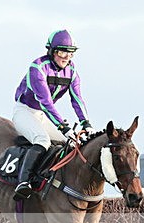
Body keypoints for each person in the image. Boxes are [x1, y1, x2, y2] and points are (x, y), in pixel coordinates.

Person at [12, 29, 93, 200]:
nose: (67, 57)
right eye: (62, 52)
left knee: (73, 143)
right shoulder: (38, 68)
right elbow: (45, 102)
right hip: (25, 111)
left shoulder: (72, 71)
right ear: (52, 51)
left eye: (70, 53)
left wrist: (86, 123)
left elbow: (77, 99)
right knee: (42, 140)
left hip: (43, 115)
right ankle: (23, 182)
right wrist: (63, 127)